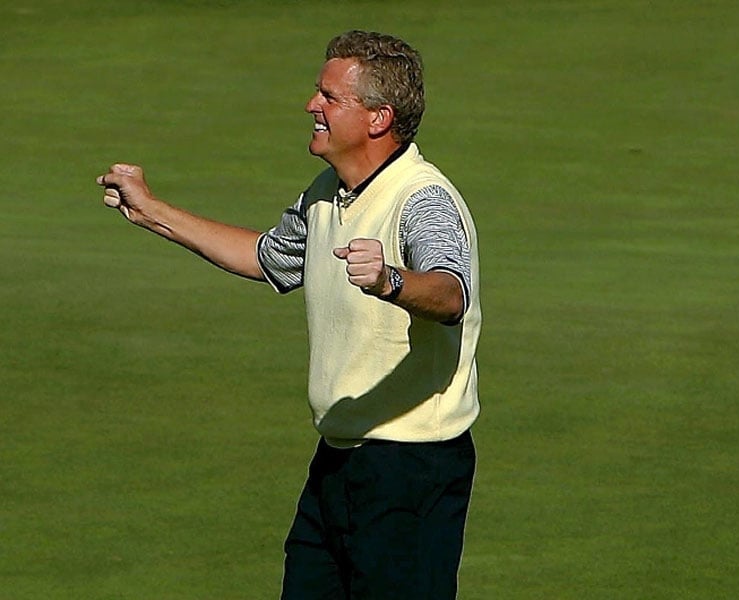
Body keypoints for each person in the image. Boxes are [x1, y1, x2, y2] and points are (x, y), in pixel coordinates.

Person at [97, 30, 481, 600]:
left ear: (378, 118)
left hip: (412, 470)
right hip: (338, 461)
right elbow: (264, 257)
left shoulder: (420, 199)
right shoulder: (328, 191)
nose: (311, 106)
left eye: (329, 97)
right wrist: (153, 212)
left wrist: (390, 280)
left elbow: (451, 294)